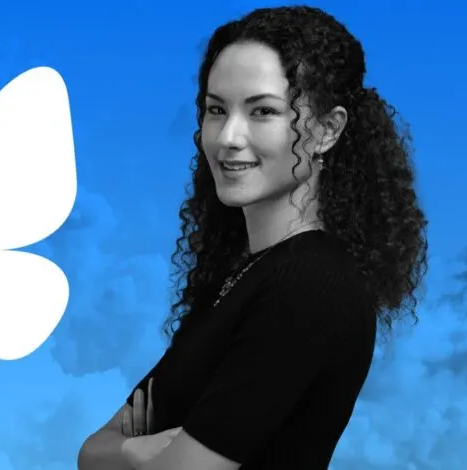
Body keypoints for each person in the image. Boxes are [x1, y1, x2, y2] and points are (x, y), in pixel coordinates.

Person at [77, 5, 428, 470]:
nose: (228, 136)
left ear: (327, 130)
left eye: (263, 111)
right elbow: (90, 453)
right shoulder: (244, 273)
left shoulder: (310, 284)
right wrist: (134, 451)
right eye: (216, 110)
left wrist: (134, 453)